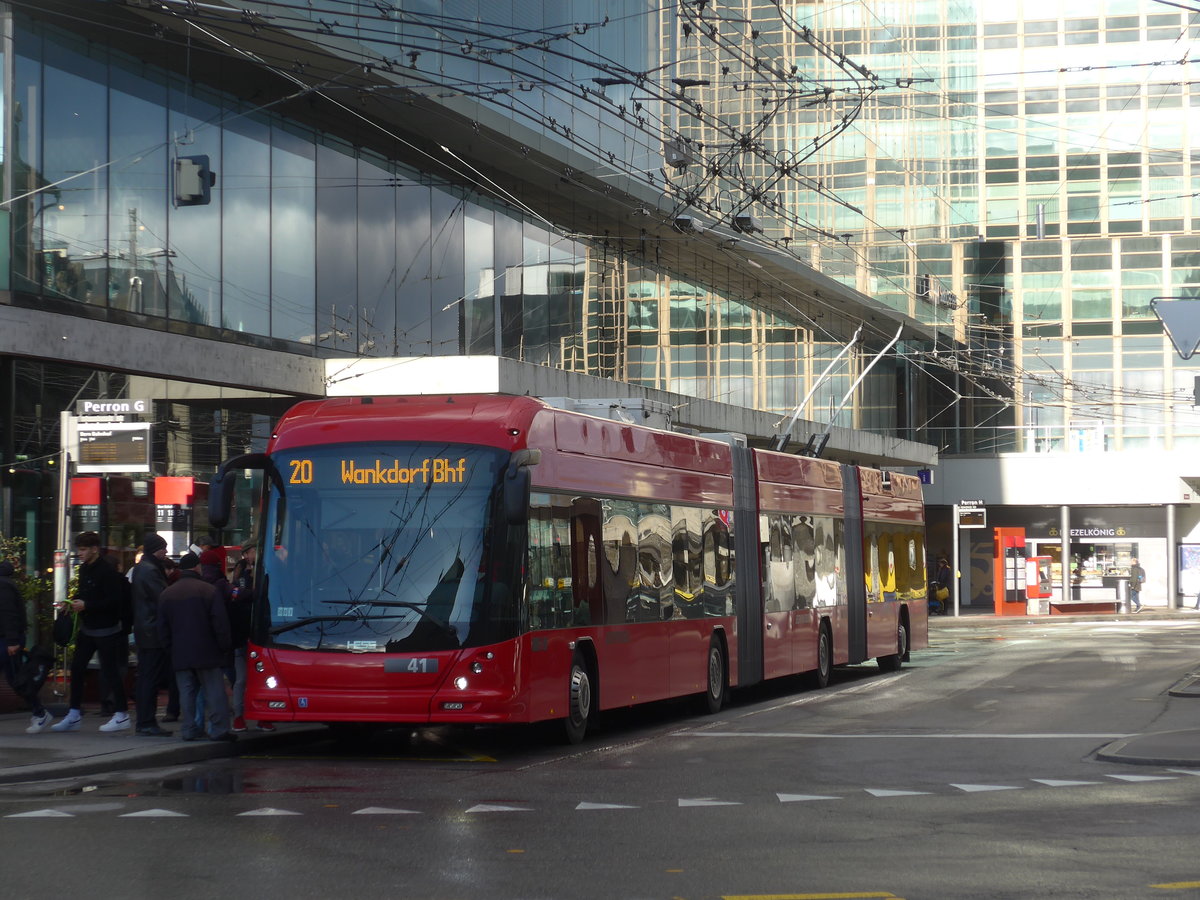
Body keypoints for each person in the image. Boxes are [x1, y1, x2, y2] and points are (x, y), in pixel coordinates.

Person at [51, 532, 132, 733]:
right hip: (89, 628)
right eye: (79, 549)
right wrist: (72, 602)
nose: (80, 553)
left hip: (106, 629)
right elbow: (85, 593)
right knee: (77, 668)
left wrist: (87, 605)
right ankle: (74, 713)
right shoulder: (85, 569)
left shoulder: (107, 571)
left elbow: (114, 601)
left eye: (84, 549)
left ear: (94, 549)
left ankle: (122, 714)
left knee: (110, 670)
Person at [158, 552, 235, 742]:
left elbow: (162, 628)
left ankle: (189, 729)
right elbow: (220, 624)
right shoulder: (208, 590)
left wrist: (170, 649)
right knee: (214, 692)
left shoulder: (167, 593)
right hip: (207, 651)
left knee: (187, 693)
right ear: (197, 567)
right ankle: (218, 729)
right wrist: (225, 647)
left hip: (180, 653)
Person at [1, 559, 54, 733]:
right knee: (16, 679)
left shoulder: (3, 585)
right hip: (6, 639)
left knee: (18, 680)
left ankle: (40, 713)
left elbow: (8, 614)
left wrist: (12, 641)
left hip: (6, 640)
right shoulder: (6, 583)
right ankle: (39, 712)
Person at [227, 540, 273, 732]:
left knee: (265, 679)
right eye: (254, 551)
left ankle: (264, 717)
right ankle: (239, 716)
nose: (256, 554)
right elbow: (239, 601)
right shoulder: (241, 575)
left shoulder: (266, 571)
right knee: (242, 679)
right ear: (246, 554)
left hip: (261, 634)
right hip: (243, 635)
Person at [130, 533, 172, 736]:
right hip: (152, 631)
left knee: (147, 677)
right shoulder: (150, 570)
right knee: (150, 678)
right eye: (163, 548)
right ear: (155, 549)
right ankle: (147, 722)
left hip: (145, 629)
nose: (166, 551)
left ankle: (145, 721)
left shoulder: (144, 568)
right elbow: (163, 598)